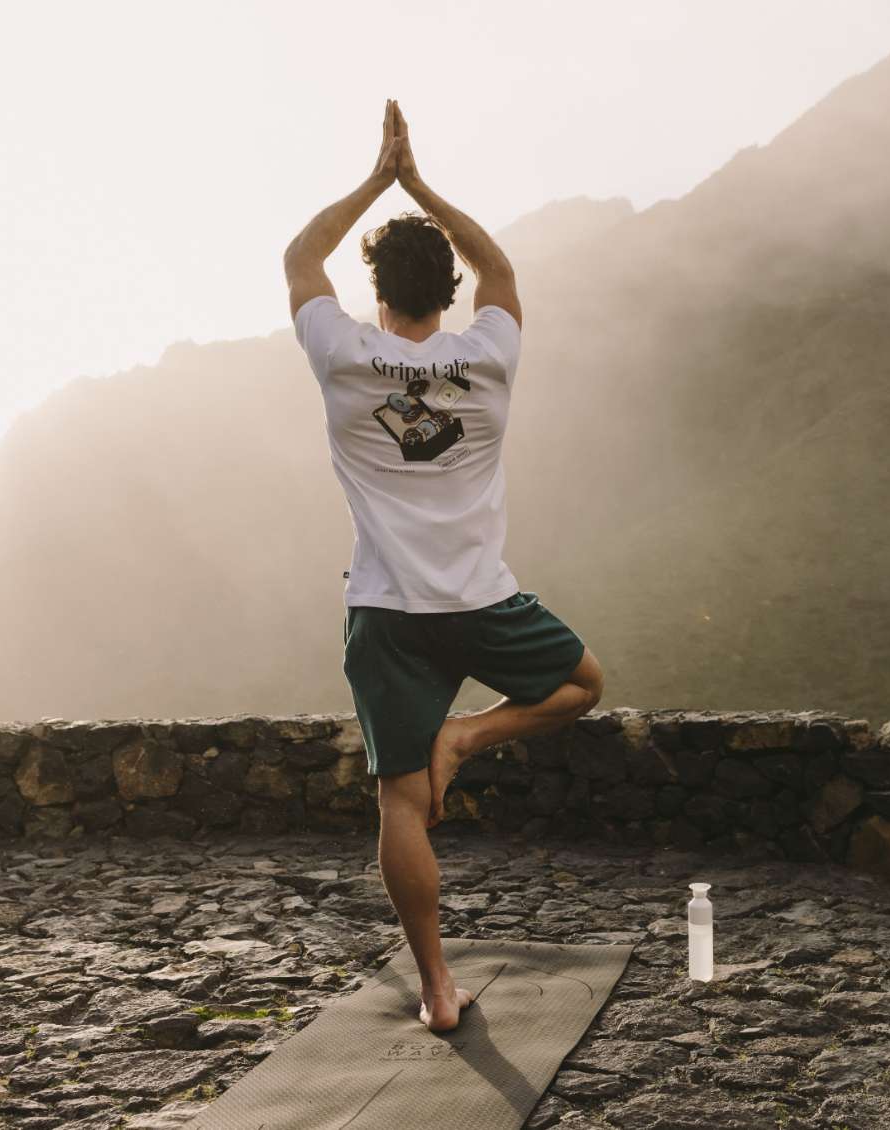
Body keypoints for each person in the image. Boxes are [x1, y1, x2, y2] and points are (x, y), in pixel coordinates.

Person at [282, 100, 606, 1032]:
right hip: (480, 599)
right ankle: (469, 737)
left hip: (388, 610)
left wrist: (377, 181)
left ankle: (435, 985)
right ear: (449, 291)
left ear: (377, 293)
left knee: (400, 799)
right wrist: (420, 185)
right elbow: (502, 269)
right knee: (582, 685)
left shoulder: (344, 355)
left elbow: (300, 257)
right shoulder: (489, 358)